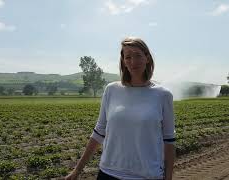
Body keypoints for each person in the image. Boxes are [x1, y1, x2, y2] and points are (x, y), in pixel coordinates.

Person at [65, 37, 176, 180]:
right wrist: (77, 171)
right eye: (128, 57)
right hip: (108, 173)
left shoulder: (163, 95)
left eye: (138, 55)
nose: (133, 61)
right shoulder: (111, 90)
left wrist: (168, 178)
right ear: (123, 61)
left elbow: (169, 141)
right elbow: (99, 132)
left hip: (147, 175)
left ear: (147, 58)